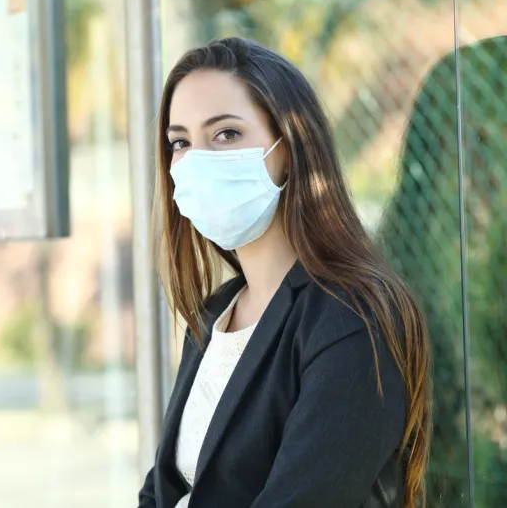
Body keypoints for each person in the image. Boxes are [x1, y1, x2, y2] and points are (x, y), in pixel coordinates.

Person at [139, 37, 431, 508]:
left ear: (290, 146)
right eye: (180, 142)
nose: (196, 161)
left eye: (227, 133)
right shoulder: (217, 313)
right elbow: (162, 491)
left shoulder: (352, 319)